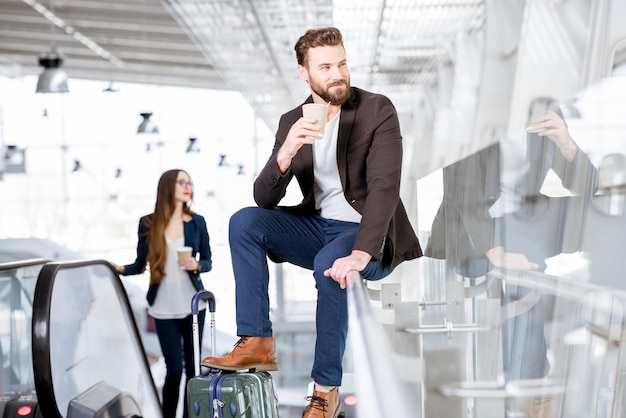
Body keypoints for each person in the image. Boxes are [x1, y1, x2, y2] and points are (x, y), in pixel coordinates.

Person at [200, 27, 422, 418]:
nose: (337, 74)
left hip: (366, 232)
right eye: (325, 67)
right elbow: (264, 199)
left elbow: (385, 188)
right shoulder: (292, 120)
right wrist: (286, 152)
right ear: (304, 73)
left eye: (342, 63)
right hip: (317, 227)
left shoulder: (376, 109)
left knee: (329, 267)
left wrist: (360, 253)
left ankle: (325, 393)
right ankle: (256, 340)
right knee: (244, 222)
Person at [425, 102, 597, 418]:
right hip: (468, 233)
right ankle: (527, 390)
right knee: (525, 273)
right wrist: (497, 250)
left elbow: (589, 186)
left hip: (521, 224)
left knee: (532, 267)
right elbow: (462, 192)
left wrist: (566, 143)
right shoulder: (475, 114)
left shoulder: (545, 111)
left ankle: (525, 390)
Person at [113, 169, 212, 418]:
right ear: (168, 187)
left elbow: (209, 260)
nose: (187, 186)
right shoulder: (148, 223)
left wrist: (197, 265)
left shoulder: (197, 222)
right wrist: (120, 269)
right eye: (181, 182)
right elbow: (139, 264)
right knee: (174, 371)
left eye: (189, 182)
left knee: (193, 370)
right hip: (163, 307)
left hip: (193, 306)